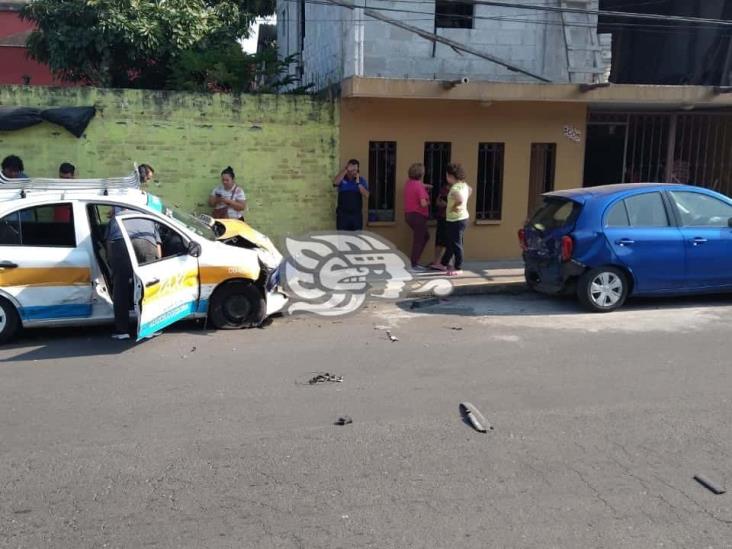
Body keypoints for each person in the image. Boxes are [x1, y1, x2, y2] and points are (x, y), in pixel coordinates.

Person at [106, 212, 162, 340]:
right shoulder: (146, 216)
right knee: (147, 286)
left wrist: (112, 264)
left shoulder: (115, 218)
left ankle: (122, 331)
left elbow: (109, 242)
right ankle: (149, 328)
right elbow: (157, 246)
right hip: (146, 243)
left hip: (120, 244)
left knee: (120, 287)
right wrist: (157, 265)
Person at [435, 163, 471, 277]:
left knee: (456, 244)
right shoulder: (463, 185)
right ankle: (443, 263)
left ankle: (458, 267)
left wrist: (454, 207)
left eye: (447, 175)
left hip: (456, 219)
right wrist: (464, 202)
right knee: (450, 242)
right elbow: (470, 190)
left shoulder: (455, 188)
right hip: (461, 218)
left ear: (450, 176)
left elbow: (459, 199)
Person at [403, 163, 431, 271]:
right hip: (418, 216)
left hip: (409, 215)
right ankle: (413, 264)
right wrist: (428, 201)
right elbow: (423, 203)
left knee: (424, 236)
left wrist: (425, 187)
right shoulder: (419, 186)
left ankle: (414, 262)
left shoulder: (409, 183)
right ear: (421, 173)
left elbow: (417, 188)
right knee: (419, 239)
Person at [333, 159, 369, 231]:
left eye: (355, 169)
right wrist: (346, 170)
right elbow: (335, 183)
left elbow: (367, 195)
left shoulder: (362, 180)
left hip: (356, 216)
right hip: (343, 216)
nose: (353, 172)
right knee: (342, 238)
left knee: (356, 239)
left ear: (358, 170)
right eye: (351, 169)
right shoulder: (342, 178)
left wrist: (358, 183)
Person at [429, 180, 452, 270]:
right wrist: (440, 203)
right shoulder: (444, 189)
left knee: (449, 241)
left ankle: (448, 263)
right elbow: (437, 201)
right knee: (439, 240)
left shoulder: (458, 190)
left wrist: (447, 205)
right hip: (442, 217)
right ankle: (436, 261)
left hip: (451, 218)